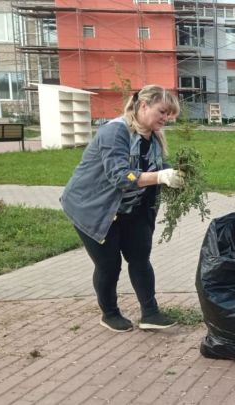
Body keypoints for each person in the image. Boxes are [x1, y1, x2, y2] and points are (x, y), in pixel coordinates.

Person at [60, 84, 184, 332]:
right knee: (109, 264)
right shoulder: (115, 132)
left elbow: (154, 165)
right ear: (144, 105)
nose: (166, 119)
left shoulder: (154, 136)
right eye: (162, 112)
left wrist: (176, 174)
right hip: (94, 208)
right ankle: (110, 313)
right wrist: (160, 177)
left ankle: (150, 313)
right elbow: (120, 177)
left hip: (131, 208)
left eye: (170, 114)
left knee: (140, 257)